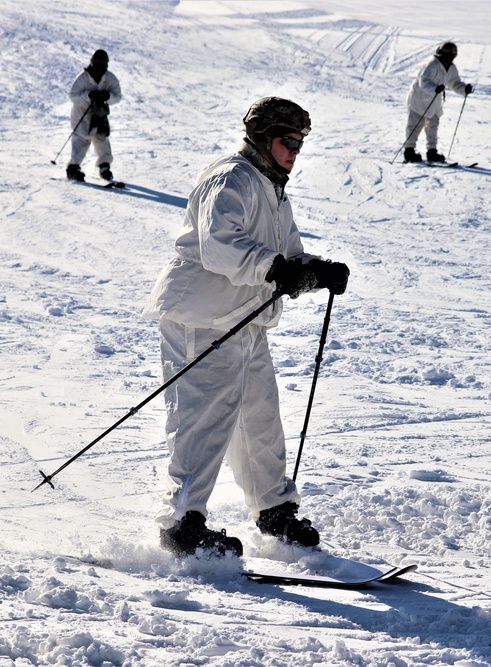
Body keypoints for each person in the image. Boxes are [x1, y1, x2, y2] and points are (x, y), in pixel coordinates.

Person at [142, 97, 350, 558]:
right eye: (287, 141)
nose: (295, 151)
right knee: (203, 420)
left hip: (243, 321)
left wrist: (318, 271)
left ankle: (273, 509)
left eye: (300, 143)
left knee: (260, 418)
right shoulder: (231, 178)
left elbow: (287, 257)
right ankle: (181, 524)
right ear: (263, 138)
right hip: (203, 318)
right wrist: (276, 269)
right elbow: (219, 246)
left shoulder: (273, 190)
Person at [403, 41, 473, 163]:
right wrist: (434, 88)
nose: (449, 56)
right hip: (419, 98)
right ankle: (409, 151)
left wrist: (464, 89)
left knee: (433, 125)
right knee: (415, 124)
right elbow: (423, 81)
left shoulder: (451, 68)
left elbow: (454, 83)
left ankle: (432, 152)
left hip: (434, 101)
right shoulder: (432, 64)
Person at [66, 49, 122, 182]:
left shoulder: (110, 78)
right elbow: (73, 96)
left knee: (101, 136)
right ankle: (73, 167)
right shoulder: (83, 78)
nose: (98, 69)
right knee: (82, 138)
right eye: (96, 66)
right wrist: (88, 96)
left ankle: (104, 166)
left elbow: (117, 96)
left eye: (101, 67)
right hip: (82, 114)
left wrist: (107, 96)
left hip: (99, 114)